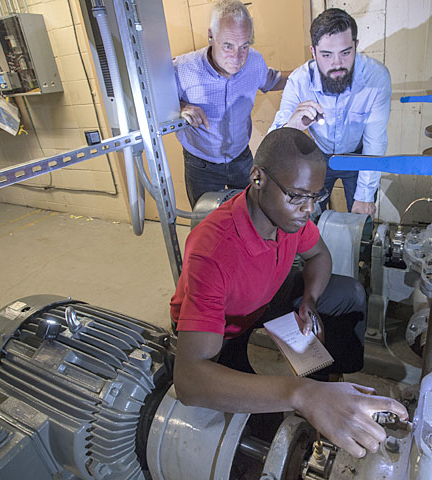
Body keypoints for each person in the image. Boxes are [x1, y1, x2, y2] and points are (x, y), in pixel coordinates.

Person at [171, 128, 407, 458]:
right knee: (261, 430)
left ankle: (328, 383)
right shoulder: (213, 251)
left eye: (316, 197)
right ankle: (310, 397)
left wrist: (309, 301)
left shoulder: (289, 216)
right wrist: (299, 394)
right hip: (225, 328)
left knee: (349, 295)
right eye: (297, 195)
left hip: (267, 297)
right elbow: (189, 380)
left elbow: (319, 255)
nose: (309, 209)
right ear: (257, 178)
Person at [269, 8, 391, 217]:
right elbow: (273, 142)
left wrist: (365, 195)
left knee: (362, 222)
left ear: (356, 46)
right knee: (307, 217)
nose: (337, 64)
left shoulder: (376, 78)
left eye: (345, 52)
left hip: (360, 156)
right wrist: (293, 126)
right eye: (326, 55)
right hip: (318, 156)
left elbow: (375, 141)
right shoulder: (299, 81)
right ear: (313, 52)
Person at [173, 0, 290, 207]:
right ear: (211, 36)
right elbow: (153, 101)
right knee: (206, 224)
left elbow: (273, 80)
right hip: (201, 165)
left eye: (244, 46)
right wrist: (181, 107)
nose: (237, 58)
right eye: (228, 46)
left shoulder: (254, 62)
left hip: (242, 160)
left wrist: (312, 73)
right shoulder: (183, 69)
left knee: (255, 211)